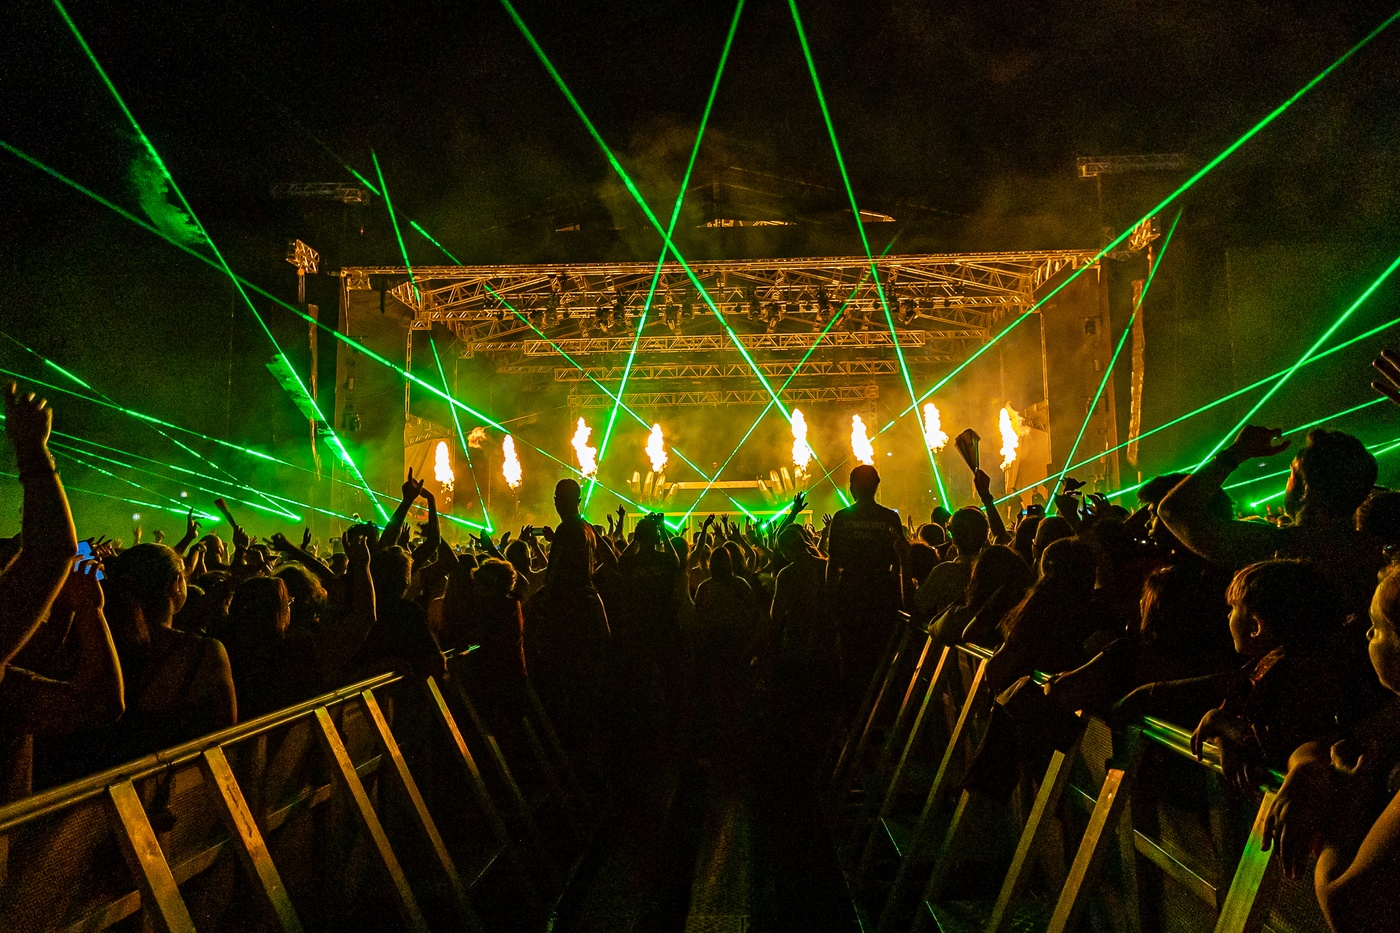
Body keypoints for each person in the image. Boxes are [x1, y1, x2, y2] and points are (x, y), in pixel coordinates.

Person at [1159, 426, 1383, 616]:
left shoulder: (1277, 548)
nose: (1287, 482)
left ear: (1306, 488)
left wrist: (1237, 452)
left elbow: (1174, 510)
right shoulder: (1376, 555)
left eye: (1292, 473)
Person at [826, 465, 908, 708]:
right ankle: (883, 708)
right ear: (876, 486)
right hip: (882, 593)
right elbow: (899, 558)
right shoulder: (889, 517)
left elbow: (833, 563)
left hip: (850, 592)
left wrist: (830, 600)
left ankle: (853, 710)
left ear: (852, 487)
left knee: (851, 657)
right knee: (881, 654)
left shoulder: (842, 518)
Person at [913, 507, 989, 625]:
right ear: (984, 536)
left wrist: (903, 562)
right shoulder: (994, 568)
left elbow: (915, 608)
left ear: (954, 537)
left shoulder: (945, 572)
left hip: (950, 635)